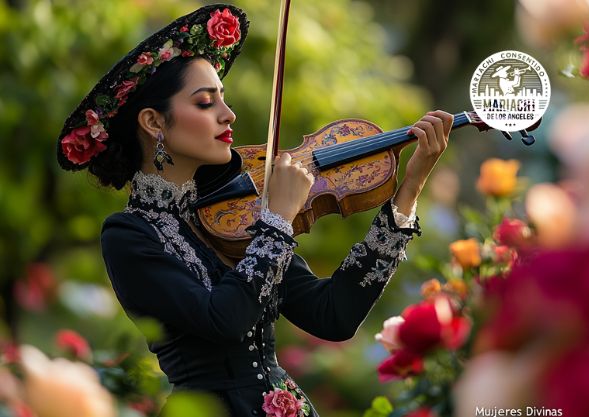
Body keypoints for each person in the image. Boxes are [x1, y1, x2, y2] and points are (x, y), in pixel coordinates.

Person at [56, 4, 452, 416]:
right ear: (154, 122)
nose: (228, 115)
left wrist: (410, 187)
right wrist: (277, 221)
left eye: (222, 99)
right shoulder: (129, 234)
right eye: (206, 103)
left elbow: (333, 315)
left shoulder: (237, 214)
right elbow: (221, 320)